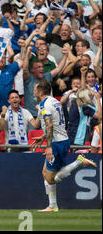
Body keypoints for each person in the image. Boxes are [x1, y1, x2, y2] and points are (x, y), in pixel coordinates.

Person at [30, 79, 97, 212]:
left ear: (40, 91)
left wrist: (48, 147)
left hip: (56, 143)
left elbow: (49, 125)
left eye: (35, 89)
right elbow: (54, 124)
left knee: (50, 178)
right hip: (61, 140)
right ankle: (52, 205)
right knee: (45, 172)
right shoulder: (55, 101)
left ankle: (78, 162)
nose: (33, 91)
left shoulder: (45, 104)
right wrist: (43, 136)